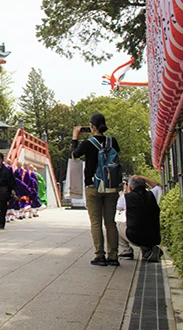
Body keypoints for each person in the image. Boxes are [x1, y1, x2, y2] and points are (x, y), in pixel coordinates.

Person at [72, 112, 121, 267]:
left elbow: (74, 155)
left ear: (91, 126)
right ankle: (113, 256)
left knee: (96, 222)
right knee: (110, 222)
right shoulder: (112, 141)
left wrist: (75, 137)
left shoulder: (88, 143)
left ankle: (100, 255)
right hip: (111, 186)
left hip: (93, 186)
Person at [117, 176, 163, 262]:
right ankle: (147, 251)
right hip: (154, 237)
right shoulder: (153, 194)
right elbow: (158, 186)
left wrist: (125, 191)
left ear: (130, 187)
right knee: (144, 224)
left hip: (135, 237)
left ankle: (126, 252)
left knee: (117, 225)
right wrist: (142, 178)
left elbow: (118, 206)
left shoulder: (126, 197)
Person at [0, 152, 17, 229]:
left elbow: (11, 182)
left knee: (2, 208)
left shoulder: (7, 171)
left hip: (3, 192)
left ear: (2, 160)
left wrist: (12, 190)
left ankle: (1, 223)